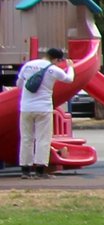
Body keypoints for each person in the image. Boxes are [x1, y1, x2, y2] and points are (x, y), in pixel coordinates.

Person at [14, 46, 71, 175]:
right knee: (42, 139)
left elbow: (19, 85)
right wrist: (70, 67)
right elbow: (69, 79)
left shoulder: (28, 65)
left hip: (26, 108)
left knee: (26, 138)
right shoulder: (53, 69)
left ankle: (25, 170)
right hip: (43, 108)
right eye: (60, 61)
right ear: (56, 59)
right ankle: (40, 170)